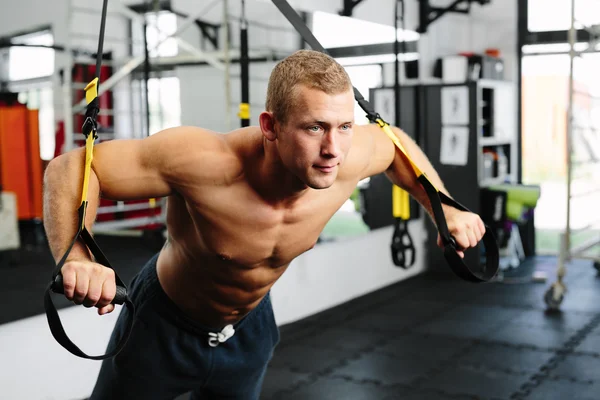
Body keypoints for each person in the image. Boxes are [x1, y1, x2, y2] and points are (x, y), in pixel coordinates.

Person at [43, 49, 485, 399]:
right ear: (270, 126)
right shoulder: (205, 163)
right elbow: (71, 168)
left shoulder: (348, 155)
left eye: (345, 126)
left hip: (250, 327)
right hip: (163, 326)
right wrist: (77, 254)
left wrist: (445, 208)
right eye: (315, 128)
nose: (334, 148)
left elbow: (394, 144)